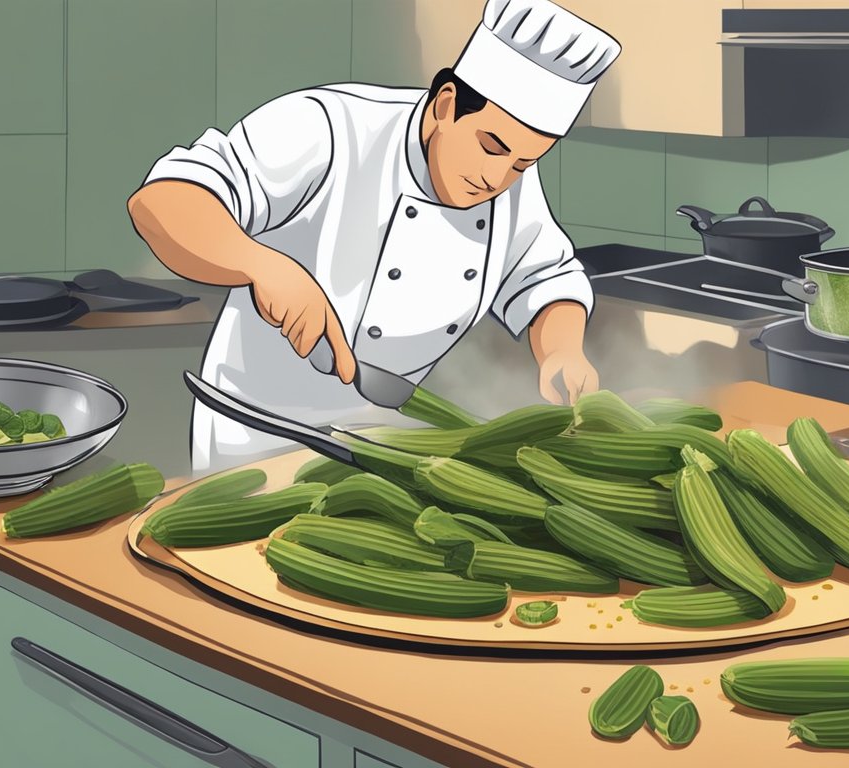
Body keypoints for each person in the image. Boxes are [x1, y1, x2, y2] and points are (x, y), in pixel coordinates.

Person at [129, 0, 620, 474]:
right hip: (260, 437)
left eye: (524, 162)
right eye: (492, 147)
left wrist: (562, 350)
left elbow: (546, 277)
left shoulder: (507, 176)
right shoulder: (329, 128)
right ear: (446, 104)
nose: (499, 178)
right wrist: (261, 265)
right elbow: (165, 200)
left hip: (387, 444)